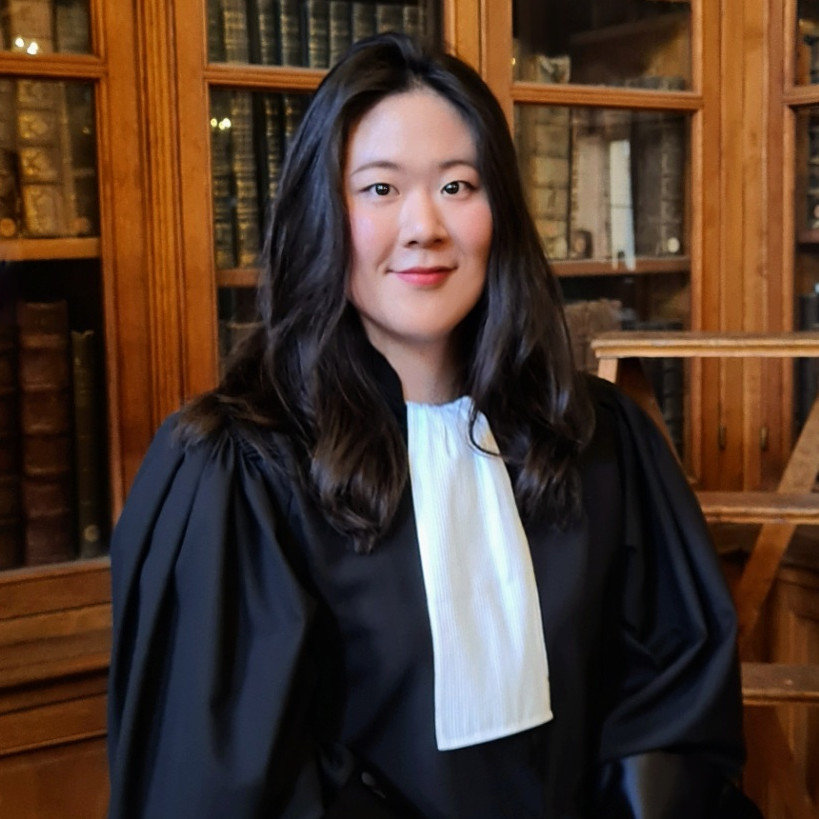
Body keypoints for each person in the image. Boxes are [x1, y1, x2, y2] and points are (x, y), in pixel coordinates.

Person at [106, 33, 760, 818]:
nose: (424, 226)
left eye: (457, 185)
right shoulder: (236, 475)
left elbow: (664, 714)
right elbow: (234, 785)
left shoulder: (596, 441)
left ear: (499, 212)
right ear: (321, 214)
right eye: (379, 189)